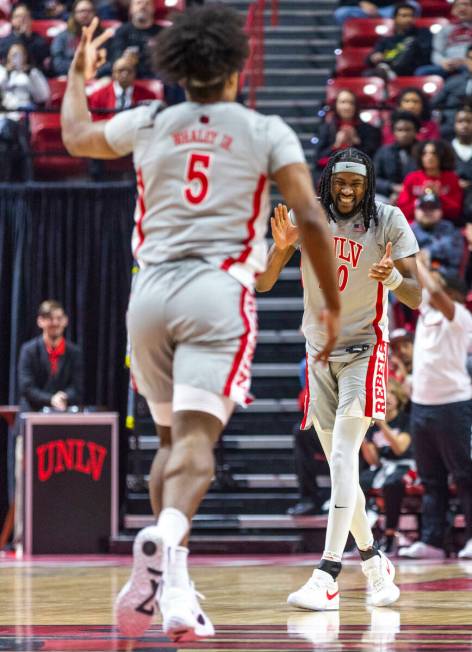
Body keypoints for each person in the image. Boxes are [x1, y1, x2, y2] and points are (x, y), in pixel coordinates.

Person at [61, 5, 341, 640]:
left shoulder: (150, 120)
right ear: (238, 68)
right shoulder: (263, 128)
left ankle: (175, 591)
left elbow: (75, 135)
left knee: (168, 444)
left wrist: (80, 72)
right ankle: (166, 537)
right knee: (196, 447)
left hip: (148, 293)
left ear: (179, 70)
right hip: (216, 291)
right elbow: (313, 220)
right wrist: (325, 299)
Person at [256, 147, 421, 611]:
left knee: (346, 455)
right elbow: (264, 283)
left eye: (357, 183)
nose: (348, 190)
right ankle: (373, 562)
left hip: (365, 351)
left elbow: (417, 295)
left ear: (367, 185)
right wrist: (282, 248)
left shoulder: (388, 219)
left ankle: (328, 571)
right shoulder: (309, 217)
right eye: (341, 182)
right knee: (340, 469)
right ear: (328, 181)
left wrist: (392, 281)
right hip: (318, 354)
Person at [399, 259, 472, 559]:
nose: (430, 288)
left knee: (465, 475)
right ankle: (432, 541)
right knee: (431, 479)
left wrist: (419, 264)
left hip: (453, 405)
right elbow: (411, 290)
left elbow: (437, 293)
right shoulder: (425, 314)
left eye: (438, 285)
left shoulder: (461, 316)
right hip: (421, 407)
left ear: (453, 293)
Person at [360, 377, 414, 554]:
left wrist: (382, 424)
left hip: (408, 465)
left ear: (399, 397)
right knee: (359, 482)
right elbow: (373, 461)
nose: (387, 397)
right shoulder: (371, 425)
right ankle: (364, 537)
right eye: (383, 393)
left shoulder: (406, 420)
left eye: (391, 392)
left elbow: (400, 448)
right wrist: (362, 436)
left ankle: (391, 534)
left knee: (392, 483)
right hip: (383, 466)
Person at [17, 300, 83, 413]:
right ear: (40, 321)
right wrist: (51, 399)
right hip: (33, 412)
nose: (55, 323)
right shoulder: (28, 350)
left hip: (64, 414)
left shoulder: (74, 352)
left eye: (59, 318)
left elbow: (77, 386)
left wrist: (64, 396)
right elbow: (26, 387)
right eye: (50, 318)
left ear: (65, 321)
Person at [314, 88, 381, 182]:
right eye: (343, 102)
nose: (347, 106)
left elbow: (374, 159)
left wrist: (356, 142)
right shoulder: (325, 129)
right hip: (331, 175)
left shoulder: (370, 130)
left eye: (351, 103)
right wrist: (336, 145)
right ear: (336, 105)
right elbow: (318, 159)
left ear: (356, 106)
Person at [397, 140, 464, 224]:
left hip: (444, 225)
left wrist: (438, 196)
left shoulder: (451, 178)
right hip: (415, 224)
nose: (429, 157)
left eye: (434, 153)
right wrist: (422, 198)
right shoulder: (412, 178)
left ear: (442, 156)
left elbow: (455, 211)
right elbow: (403, 210)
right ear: (420, 157)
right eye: (425, 153)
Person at [365, 3, 431, 80]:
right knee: (368, 74)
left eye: (411, 16)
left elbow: (424, 56)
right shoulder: (387, 38)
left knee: (411, 45)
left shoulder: (422, 33)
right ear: (395, 18)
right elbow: (369, 59)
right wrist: (373, 57)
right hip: (384, 70)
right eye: (404, 16)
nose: (408, 19)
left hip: (410, 71)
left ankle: (388, 70)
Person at [50, 0, 111, 76]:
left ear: (95, 14)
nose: (85, 14)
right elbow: (58, 64)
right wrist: (79, 69)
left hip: (98, 77)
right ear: (74, 14)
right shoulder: (61, 37)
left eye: (89, 11)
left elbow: (111, 62)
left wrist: (94, 72)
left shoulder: (104, 36)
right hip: (69, 76)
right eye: (81, 11)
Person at [411, 192, 465, 277]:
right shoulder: (408, 231)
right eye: (424, 208)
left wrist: (428, 252)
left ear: (440, 211)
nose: (428, 212)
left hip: (446, 276)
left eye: (432, 208)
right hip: (417, 276)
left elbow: (454, 255)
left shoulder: (450, 229)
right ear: (416, 210)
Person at [415, 0, 472, 78]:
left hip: (468, 64)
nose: (462, 9)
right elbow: (436, 52)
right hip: (448, 64)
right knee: (422, 71)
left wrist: (467, 62)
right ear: (452, 10)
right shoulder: (444, 29)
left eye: (467, 5)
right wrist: (443, 62)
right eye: (458, 6)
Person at [88, 56, 157, 119]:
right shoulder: (98, 96)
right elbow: (96, 122)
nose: (124, 74)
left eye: (129, 71)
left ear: (135, 73)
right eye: (120, 70)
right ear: (113, 74)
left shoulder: (148, 96)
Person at [374, 110, 419, 203]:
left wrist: (404, 192)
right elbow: (374, 179)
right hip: (388, 195)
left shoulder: (423, 151)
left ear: (415, 131)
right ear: (393, 132)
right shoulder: (384, 151)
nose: (404, 134)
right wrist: (392, 187)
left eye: (408, 130)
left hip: (417, 195)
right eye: (400, 130)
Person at [110, 0, 162, 79]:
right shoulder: (121, 32)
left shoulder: (163, 32)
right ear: (131, 9)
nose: (142, 6)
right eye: (138, 3)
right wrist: (125, 58)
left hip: (156, 76)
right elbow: (116, 58)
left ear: (153, 8)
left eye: (147, 3)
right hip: (128, 75)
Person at [432, 46, 472, 140]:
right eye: (471, 59)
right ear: (466, 61)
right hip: (451, 124)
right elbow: (434, 103)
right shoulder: (453, 81)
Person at [0, 4, 50, 72]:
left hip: (32, 76)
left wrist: (24, 37)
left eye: (25, 16)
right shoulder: (3, 42)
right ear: (12, 20)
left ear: (31, 19)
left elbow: (43, 65)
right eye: (18, 16)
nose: (21, 19)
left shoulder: (39, 41)